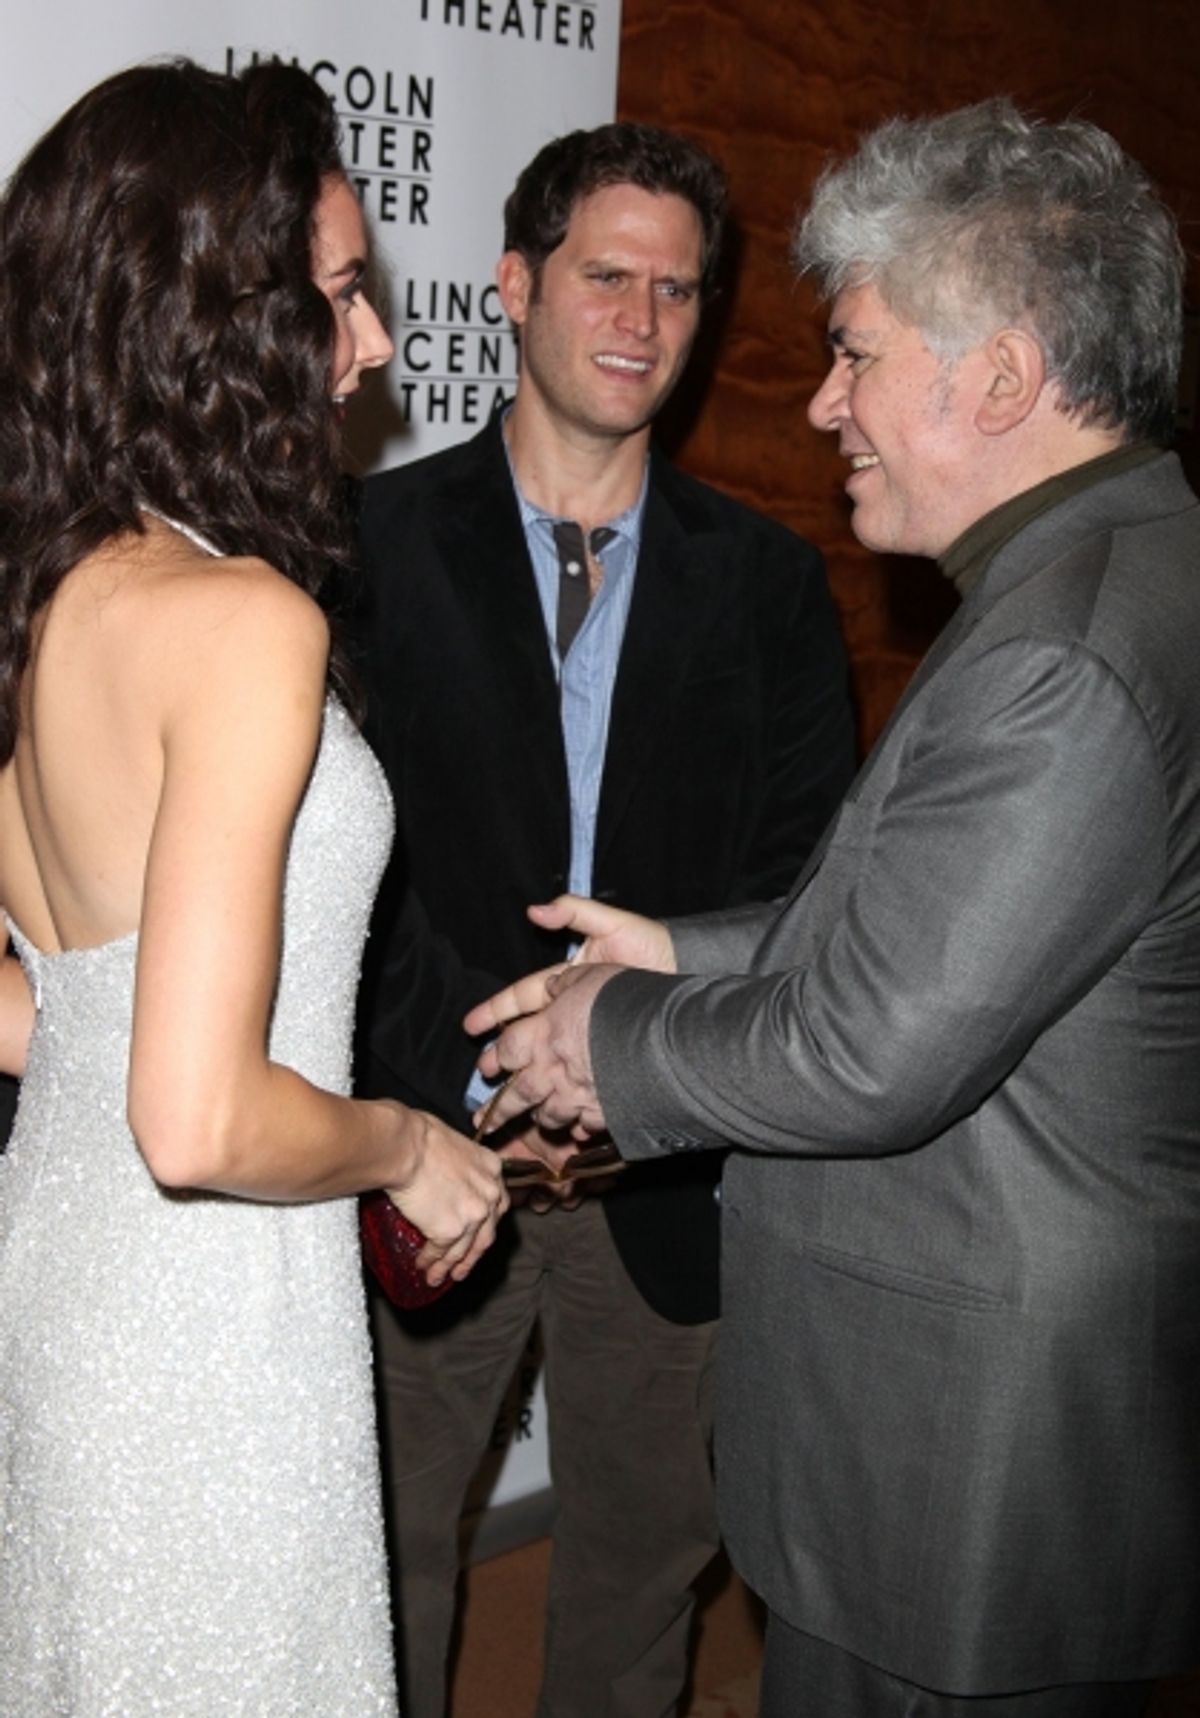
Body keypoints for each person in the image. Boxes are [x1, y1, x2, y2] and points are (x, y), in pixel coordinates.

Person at [469, 99, 1200, 1718]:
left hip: (961, 1476)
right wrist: (685, 947)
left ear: (1001, 376)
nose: (820, 403)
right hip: (958, 1446)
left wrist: (617, 1026)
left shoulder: (1064, 646)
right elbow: (933, 922)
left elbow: (877, 1043)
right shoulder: (1094, 574)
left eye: (858, 354)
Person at [0, 59, 507, 1716]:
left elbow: (53, 1013)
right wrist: (409, 1142)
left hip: (71, 1281)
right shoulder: (240, 624)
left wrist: (102, 1047)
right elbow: (198, 1121)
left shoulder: (44, 595)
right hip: (206, 1324)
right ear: (220, 310)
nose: (371, 345)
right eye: (342, 293)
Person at [354, 123, 854, 1718]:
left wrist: (628, 1087)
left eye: (679, 291)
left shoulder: (773, 589)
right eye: (605, 277)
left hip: (672, 1170)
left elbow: (802, 892)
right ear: (514, 285)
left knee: (643, 1577)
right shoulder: (361, 552)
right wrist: (489, 1091)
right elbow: (344, 882)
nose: (641, 320)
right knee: (384, 1565)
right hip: (433, 1155)